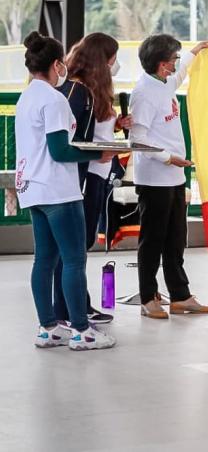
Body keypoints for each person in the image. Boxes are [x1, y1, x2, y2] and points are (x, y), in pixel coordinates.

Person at [15, 31, 117, 350]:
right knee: (74, 260)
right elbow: (60, 151)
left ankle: (48, 327)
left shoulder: (26, 97)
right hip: (59, 191)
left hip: (33, 189)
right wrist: (97, 154)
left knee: (43, 261)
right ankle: (82, 331)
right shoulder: (54, 99)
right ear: (58, 64)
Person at [129, 35, 208, 319]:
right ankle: (148, 297)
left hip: (175, 176)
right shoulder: (143, 93)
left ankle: (180, 295)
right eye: (174, 59)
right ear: (162, 64)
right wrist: (168, 158)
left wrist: (194, 53)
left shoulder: (165, 83)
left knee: (175, 239)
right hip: (154, 178)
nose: (177, 64)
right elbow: (136, 138)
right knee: (152, 240)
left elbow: (180, 75)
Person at [53, 32, 132, 325]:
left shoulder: (91, 91)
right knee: (74, 247)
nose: (115, 64)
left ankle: (75, 305)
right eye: (113, 58)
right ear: (102, 60)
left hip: (97, 174)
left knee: (79, 245)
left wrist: (117, 125)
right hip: (85, 177)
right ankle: (69, 309)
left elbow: (96, 132)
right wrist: (97, 154)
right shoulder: (78, 92)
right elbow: (74, 140)